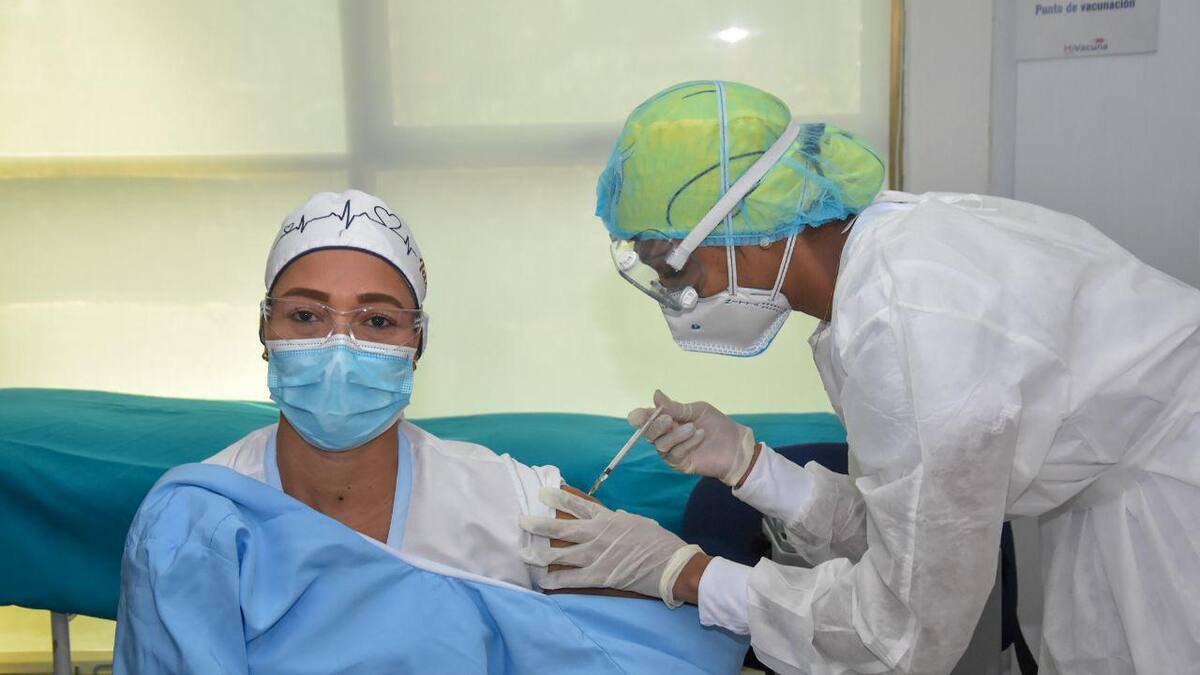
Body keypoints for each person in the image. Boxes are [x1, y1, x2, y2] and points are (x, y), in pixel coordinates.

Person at [520, 80, 1200, 674]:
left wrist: (686, 573)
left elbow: (901, 634)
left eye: (677, 270)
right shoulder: (878, 267)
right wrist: (749, 466)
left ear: (745, 225)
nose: (678, 298)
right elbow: (906, 535)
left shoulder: (909, 323)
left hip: (1176, 497)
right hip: (1121, 492)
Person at [113, 189, 748, 673]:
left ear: (417, 345)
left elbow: (686, 629)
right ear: (265, 332)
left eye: (377, 321)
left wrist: (738, 495)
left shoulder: (512, 502)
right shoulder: (196, 523)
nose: (339, 346)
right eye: (306, 315)